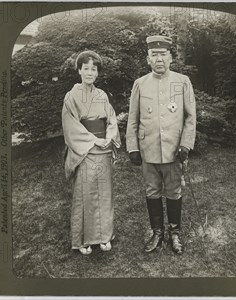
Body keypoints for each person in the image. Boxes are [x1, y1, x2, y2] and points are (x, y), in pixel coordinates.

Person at [126, 35, 196, 255]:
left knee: (174, 191)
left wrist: (185, 144)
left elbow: (190, 117)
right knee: (152, 191)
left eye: (163, 55)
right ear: (148, 59)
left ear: (171, 57)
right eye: (154, 55)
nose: (159, 59)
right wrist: (133, 148)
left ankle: (175, 233)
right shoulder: (140, 84)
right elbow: (133, 119)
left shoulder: (182, 81)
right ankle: (157, 232)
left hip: (174, 150)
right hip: (149, 150)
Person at [62, 50, 121, 255]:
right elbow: (71, 126)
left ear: (97, 73)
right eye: (85, 68)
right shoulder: (71, 96)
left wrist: (109, 137)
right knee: (85, 194)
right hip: (85, 150)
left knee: (105, 194)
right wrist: (93, 140)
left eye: (93, 69)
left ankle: (104, 237)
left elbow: (111, 119)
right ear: (79, 70)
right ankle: (83, 240)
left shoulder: (102, 95)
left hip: (103, 149)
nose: (89, 73)